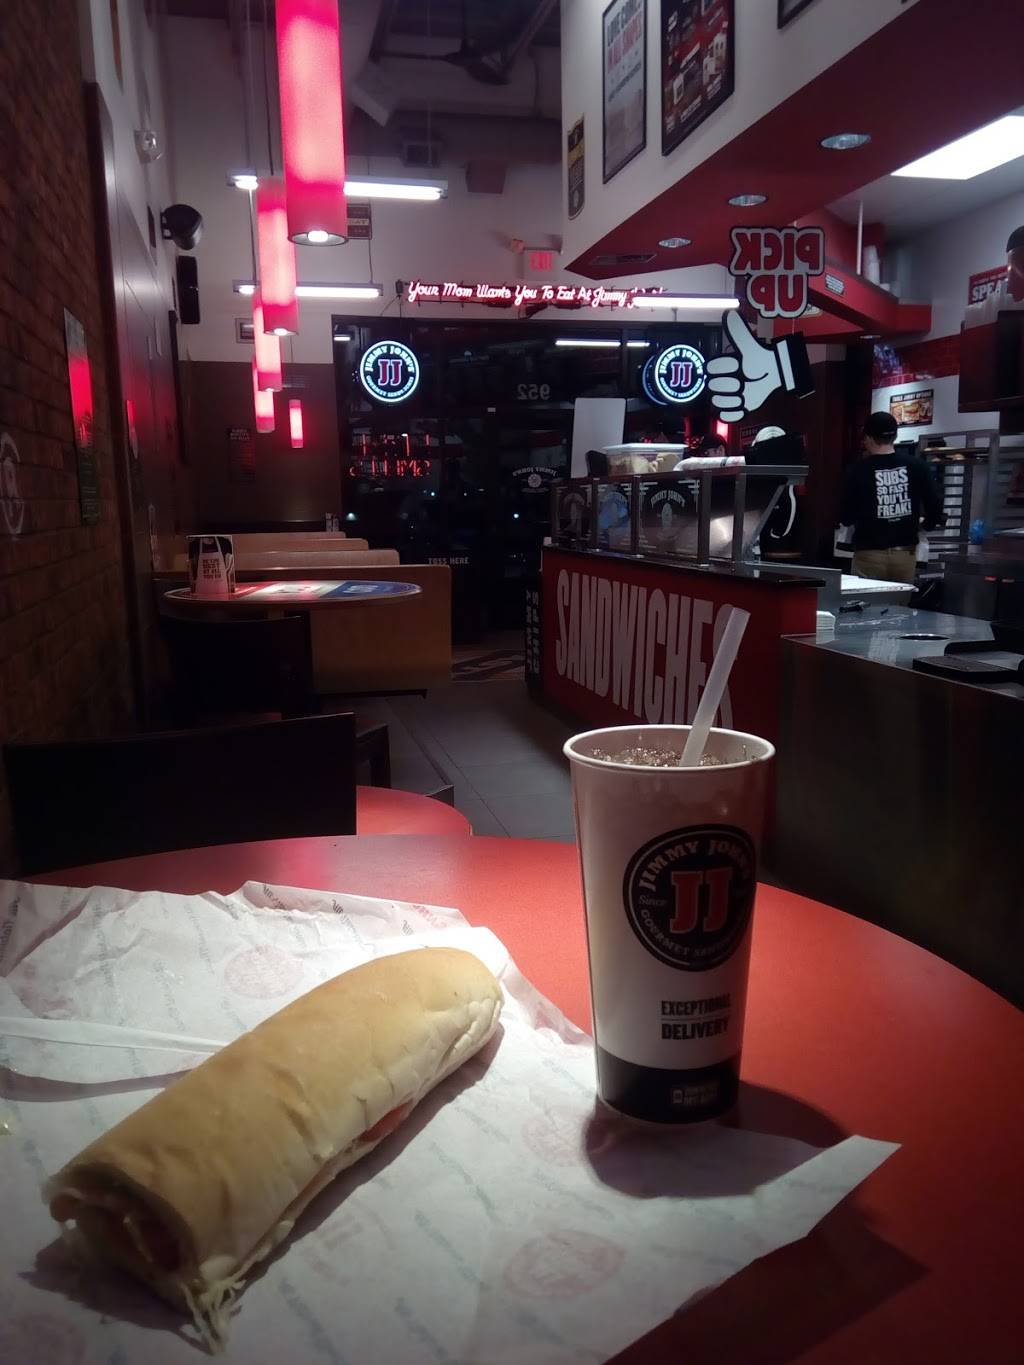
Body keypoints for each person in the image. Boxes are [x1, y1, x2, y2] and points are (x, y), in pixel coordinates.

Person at [839, 411, 942, 584]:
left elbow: (846, 516)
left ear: (868, 437)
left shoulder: (857, 470)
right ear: (895, 435)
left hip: (869, 554)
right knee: (900, 601)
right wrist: (924, 526)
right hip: (905, 554)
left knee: (866, 601)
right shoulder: (917, 466)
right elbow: (935, 505)